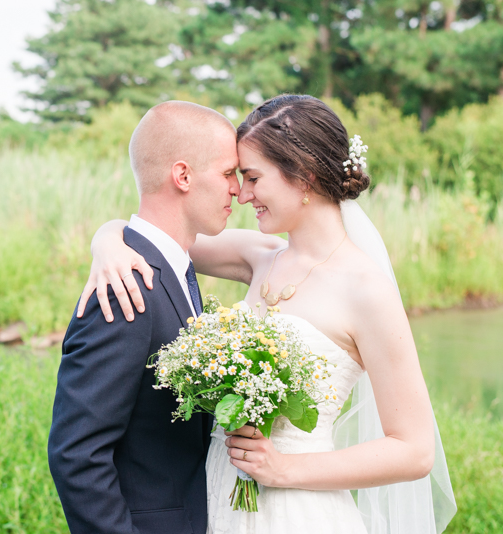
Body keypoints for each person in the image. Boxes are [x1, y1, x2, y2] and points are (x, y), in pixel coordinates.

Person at [77, 95, 456, 534]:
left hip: (297, 510)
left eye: (253, 177)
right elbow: (157, 235)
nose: (242, 194)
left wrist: (283, 470)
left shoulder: (368, 291)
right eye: (238, 177)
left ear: (305, 176)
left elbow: (414, 450)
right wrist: (105, 241)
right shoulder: (260, 255)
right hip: (216, 498)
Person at [47, 101, 241, 533]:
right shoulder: (126, 286)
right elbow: (76, 454)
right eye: (229, 173)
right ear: (183, 176)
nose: (238, 189)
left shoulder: (175, 269)